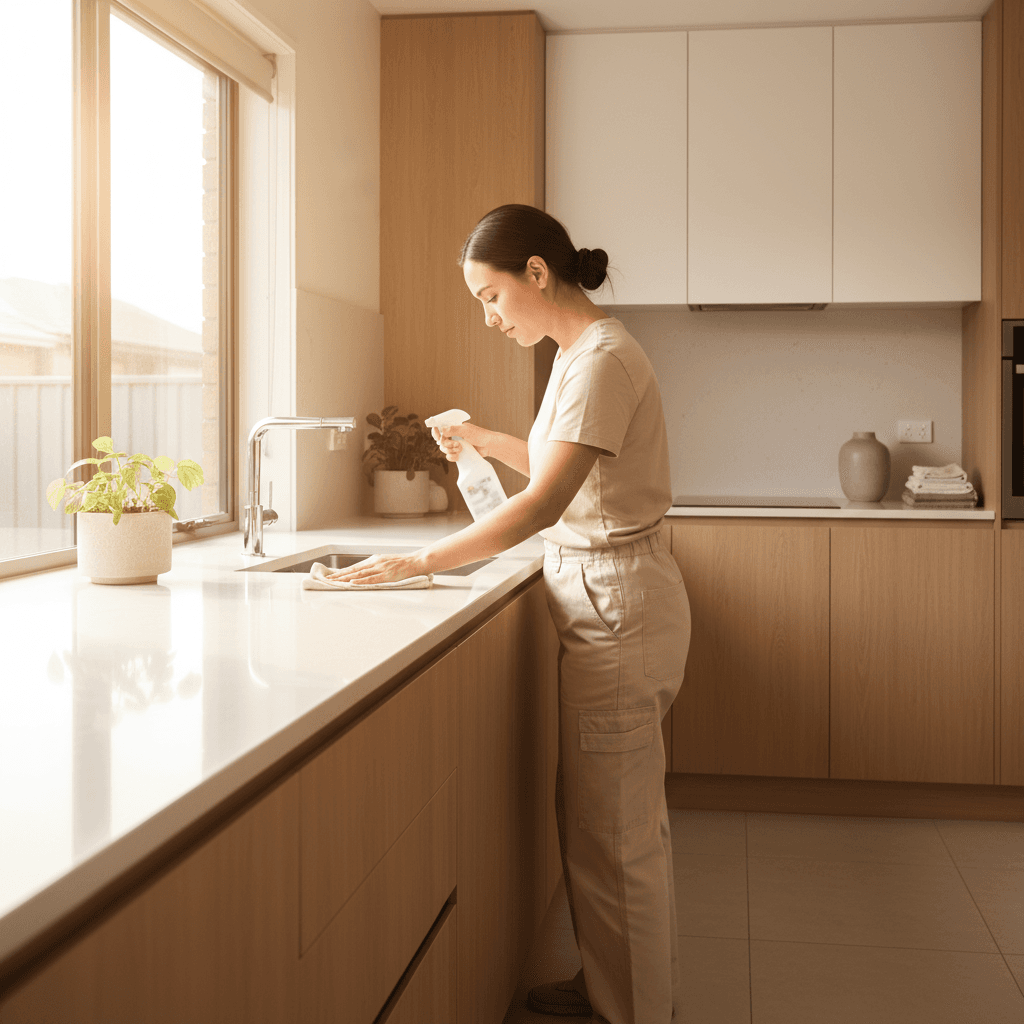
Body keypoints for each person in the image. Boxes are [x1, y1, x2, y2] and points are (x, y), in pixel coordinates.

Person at [327, 204, 691, 1024]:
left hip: (618, 604)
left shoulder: (599, 360)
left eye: (490, 297)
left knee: (617, 829)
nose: (488, 318)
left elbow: (541, 507)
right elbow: (567, 465)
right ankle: (614, 982)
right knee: (604, 818)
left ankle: (632, 1009)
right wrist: (489, 440)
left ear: (535, 272)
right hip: (610, 593)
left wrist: (418, 561)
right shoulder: (578, 354)